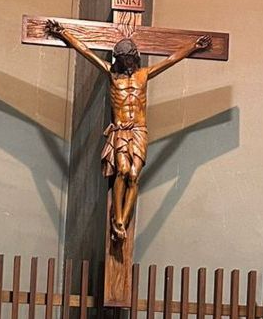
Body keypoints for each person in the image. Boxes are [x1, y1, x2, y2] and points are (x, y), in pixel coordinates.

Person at [45, 20, 211, 243]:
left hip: (139, 130)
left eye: (129, 59)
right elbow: (86, 51)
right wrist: (64, 34)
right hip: (120, 131)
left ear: (134, 57)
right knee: (122, 170)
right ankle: (118, 222)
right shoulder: (112, 75)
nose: (126, 63)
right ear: (118, 60)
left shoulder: (144, 75)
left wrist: (193, 47)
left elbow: (170, 60)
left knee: (134, 175)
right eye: (122, 60)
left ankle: (122, 219)